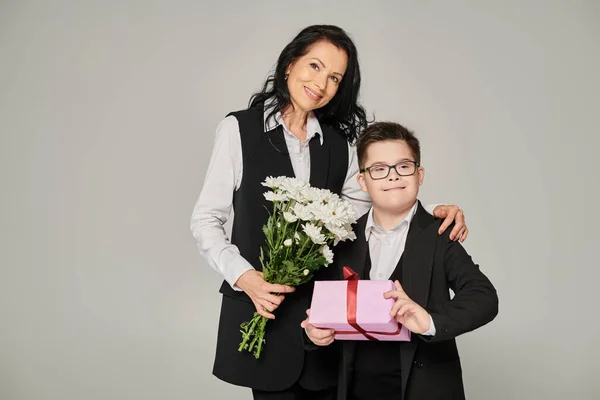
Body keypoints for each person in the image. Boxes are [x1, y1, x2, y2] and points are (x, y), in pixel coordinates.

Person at [190, 26, 469, 400]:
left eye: (334, 77)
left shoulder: (340, 143)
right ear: (290, 64)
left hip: (326, 324)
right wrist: (246, 278)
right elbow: (206, 220)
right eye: (315, 66)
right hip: (263, 314)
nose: (321, 84)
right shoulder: (238, 130)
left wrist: (431, 209)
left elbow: (369, 200)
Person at [302, 121, 498, 400]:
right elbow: (319, 310)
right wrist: (313, 333)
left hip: (424, 390)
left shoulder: (440, 234)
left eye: (403, 166)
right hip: (354, 390)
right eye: (379, 169)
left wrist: (429, 321)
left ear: (419, 175)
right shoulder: (341, 239)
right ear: (362, 181)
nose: (393, 177)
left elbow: (484, 298)